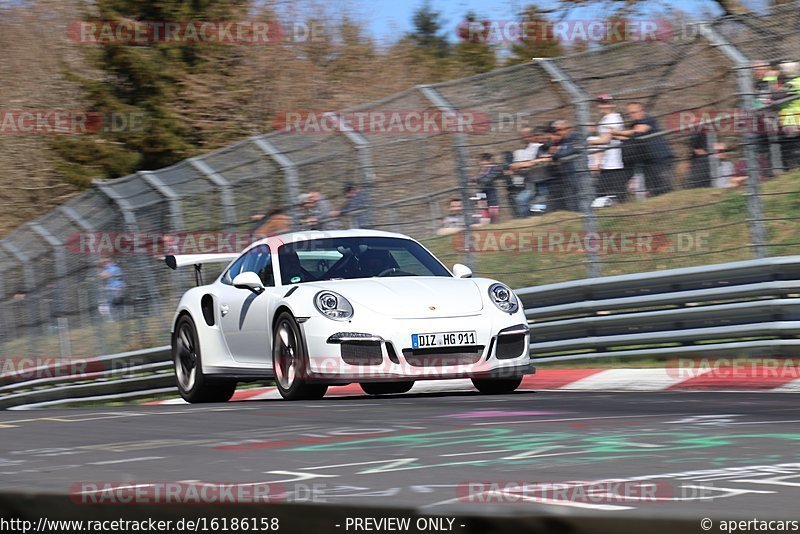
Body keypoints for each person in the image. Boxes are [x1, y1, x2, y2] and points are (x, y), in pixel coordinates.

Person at [613, 102, 674, 197]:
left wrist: (617, 132)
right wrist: (615, 135)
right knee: (653, 191)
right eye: (629, 113)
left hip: (661, 160)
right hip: (648, 163)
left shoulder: (648, 119)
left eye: (634, 112)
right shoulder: (634, 125)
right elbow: (630, 137)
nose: (631, 115)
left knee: (664, 189)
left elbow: (640, 130)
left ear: (642, 111)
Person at [587, 94, 628, 201]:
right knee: (601, 193)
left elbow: (606, 139)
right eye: (601, 103)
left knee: (617, 193)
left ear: (612, 104)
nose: (602, 106)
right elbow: (602, 143)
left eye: (606, 103)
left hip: (614, 162)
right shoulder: (604, 119)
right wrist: (598, 161)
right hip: (606, 162)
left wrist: (587, 142)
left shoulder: (614, 117)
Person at [508, 126, 551, 217]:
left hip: (541, 181)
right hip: (529, 182)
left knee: (539, 205)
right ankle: (527, 221)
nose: (524, 138)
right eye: (522, 136)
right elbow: (514, 167)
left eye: (526, 135)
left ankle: (537, 220)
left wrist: (522, 165)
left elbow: (542, 160)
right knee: (521, 201)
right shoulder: (521, 151)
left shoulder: (539, 147)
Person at [548, 120, 583, 212]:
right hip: (566, 176)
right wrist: (556, 154)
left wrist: (557, 154)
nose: (559, 132)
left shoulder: (577, 137)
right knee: (571, 202)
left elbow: (572, 150)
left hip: (579, 174)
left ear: (569, 128)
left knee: (583, 199)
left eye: (560, 129)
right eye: (557, 130)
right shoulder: (559, 142)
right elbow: (553, 155)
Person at [472, 153, 501, 223]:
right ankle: (485, 222)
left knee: (493, 209)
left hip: (491, 191)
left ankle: (494, 223)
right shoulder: (482, 170)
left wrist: (476, 178)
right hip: (481, 191)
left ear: (489, 161)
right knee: (482, 209)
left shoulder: (494, 169)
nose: (483, 163)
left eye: (486, 161)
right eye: (482, 161)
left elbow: (487, 179)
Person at [97, 257, 125, 322]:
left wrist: (98, 271)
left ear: (106, 263)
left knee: (110, 305)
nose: (102, 266)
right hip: (117, 289)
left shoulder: (111, 268)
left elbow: (104, 276)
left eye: (102, 264)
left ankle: (115, 320)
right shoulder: (116, 268)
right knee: (117, 305)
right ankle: (119, 319)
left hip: (115, 289)